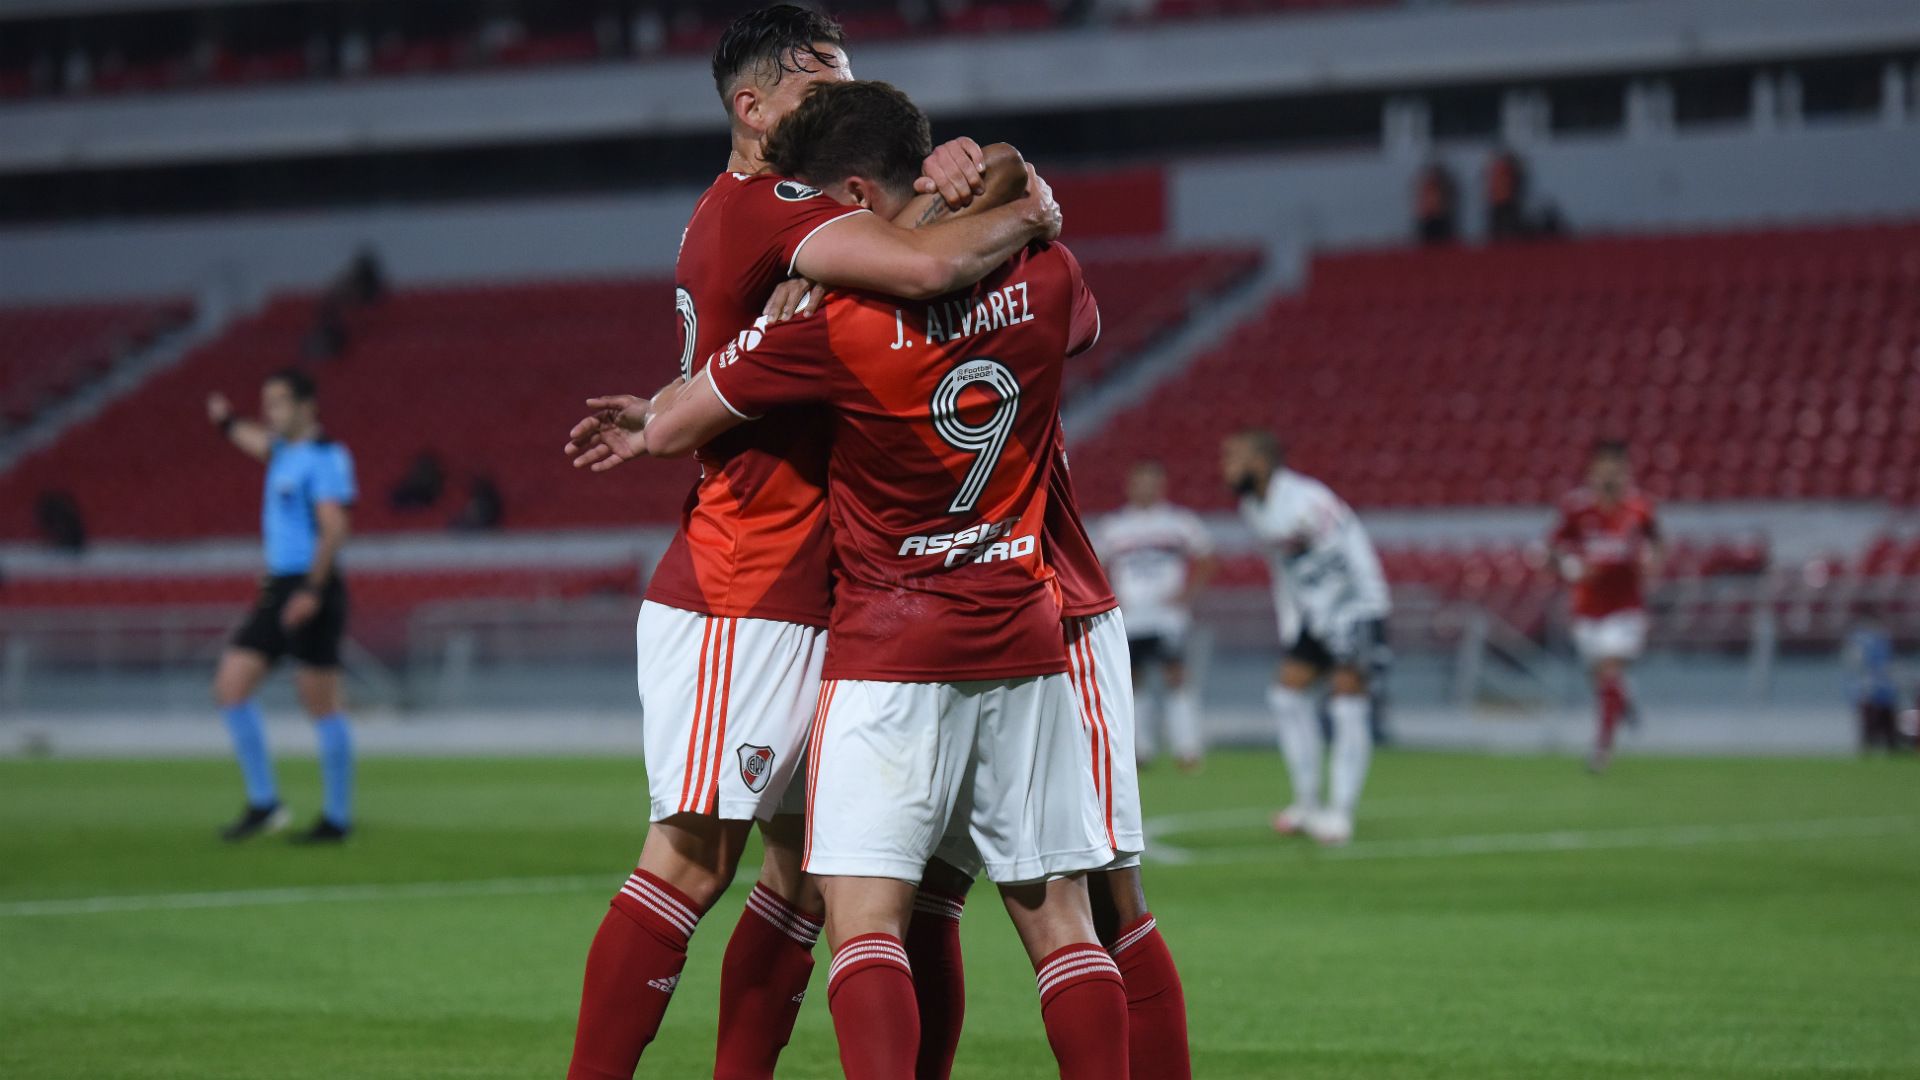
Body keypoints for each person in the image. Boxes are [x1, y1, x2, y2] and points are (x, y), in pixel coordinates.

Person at [556, 9, 1061, 1079]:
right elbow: (928, 269)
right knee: (691, 862)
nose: (839, 98)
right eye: (818, 81)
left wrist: (974, 163)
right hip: (743, 582)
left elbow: (896, 242)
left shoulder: (784, 213)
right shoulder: (773, 205)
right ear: (753, 107)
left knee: (806, 879)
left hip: (821, 588)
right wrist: (1026, 208)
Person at [638, 78, 1126, 1080]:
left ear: (857, 193)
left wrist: (651, 410)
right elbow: (1079, 320)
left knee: (865, 924)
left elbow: (676, 422)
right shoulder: (1047, 276)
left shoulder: (830, 324)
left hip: (887, 647)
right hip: (1023, 639)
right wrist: (1010, 190)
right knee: (1066, 925)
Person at [203, 369, 357, 843]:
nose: (270, 413)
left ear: (308, 405)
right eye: (267, 404)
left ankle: (335, 817)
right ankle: (265, 803)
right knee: (231, 686)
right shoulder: (283, 455)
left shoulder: (325, 457)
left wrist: (311, 590)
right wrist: (227, 422)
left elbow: (334, 528)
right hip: (277, 589)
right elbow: (254, 441)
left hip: (311, 586)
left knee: (320, 703)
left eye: (279, 403)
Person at [1222, 431, 1390, 847]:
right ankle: (1307, 803)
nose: (1226, 469)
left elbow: (1345, 557)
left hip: (1356, 607)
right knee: (1286, 696)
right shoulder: (1252, 508)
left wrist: (1337, 618)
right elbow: (1284, 571)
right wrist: (1292, 623)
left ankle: (1341, 813)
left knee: (1347, 704)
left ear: (1260, 463)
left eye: (1234, 459)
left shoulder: (1307, 500)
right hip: (1314, 615)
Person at [1094, 459, 1217, 771]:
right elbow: (1094, 566)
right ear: (1130, 485)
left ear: (1161, 485)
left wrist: (1187, 594)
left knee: (1175, 677)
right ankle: (1140, 750)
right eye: (1140, 481)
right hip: (1129, 617)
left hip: (1167, 617)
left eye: (1151, 481)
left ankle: (1187, 749)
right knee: (1133, 681)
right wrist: (1110, 597)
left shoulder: (1179, 522)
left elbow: (1207, 557)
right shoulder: (1113, 527)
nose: (1145, 487)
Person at [1548, 439, 1662, 773]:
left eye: (1617, 468)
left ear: (1626, 471)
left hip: (1625, 606)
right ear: (1593, 471)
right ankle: (1624, 699)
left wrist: (1653, 564)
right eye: (1604, 468)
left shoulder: (1639, 508)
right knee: (1599, 676)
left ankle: (1602, 748)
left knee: (1609, 668)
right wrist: (1571, 568)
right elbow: (1553, 549)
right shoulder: (1577, 510)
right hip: (1586, 607)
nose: (1610, 475)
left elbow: (1657, 540)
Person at [1844, 615, 1901, 752]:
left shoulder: (1876, 640)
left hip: (1879, 689)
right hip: (1873, 689)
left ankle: (1881, 745)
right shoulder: (1870, 640)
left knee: (1881, 721)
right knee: (1874, 721)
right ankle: (1873, 746)